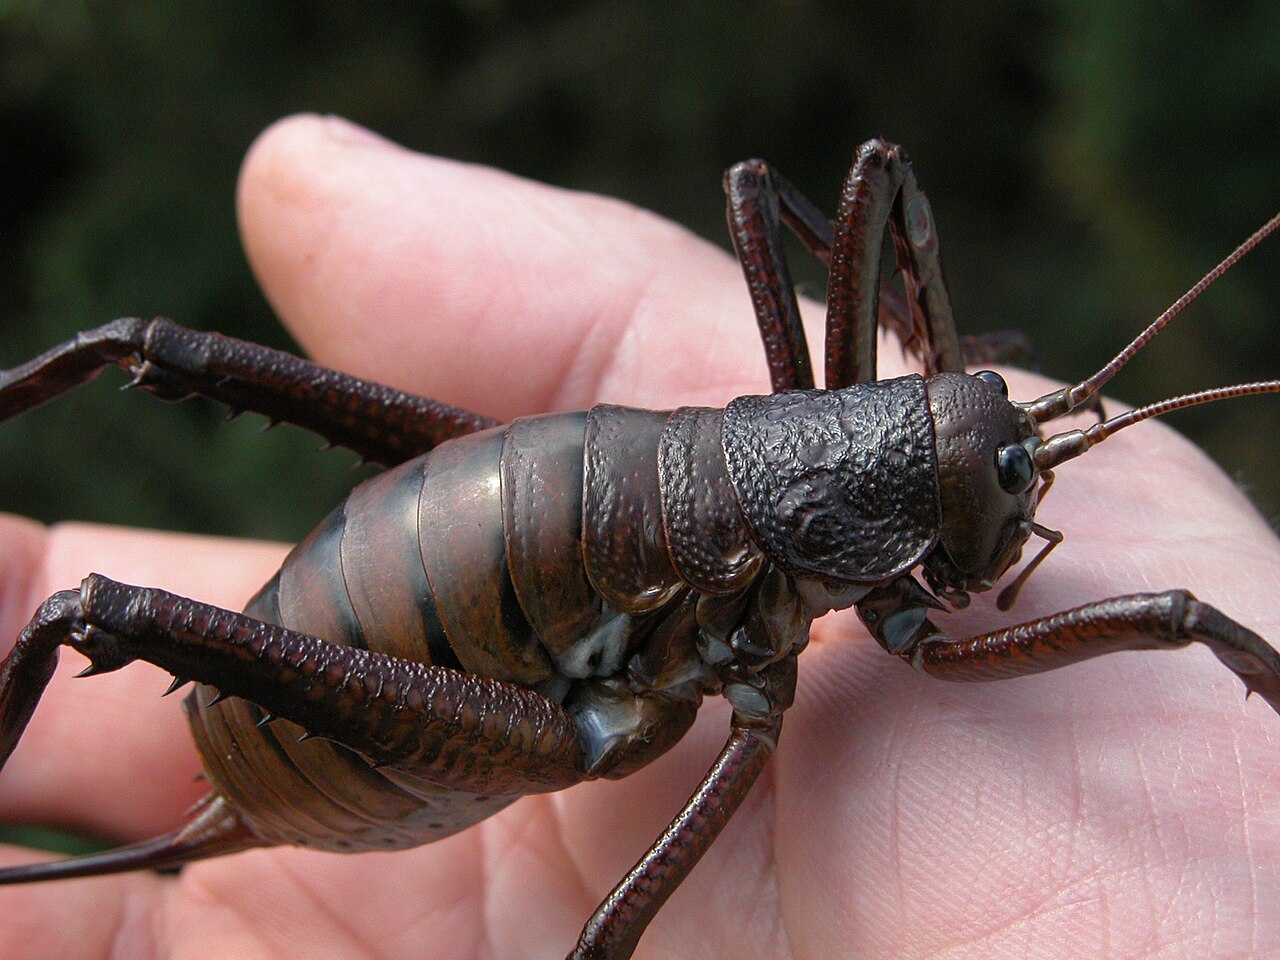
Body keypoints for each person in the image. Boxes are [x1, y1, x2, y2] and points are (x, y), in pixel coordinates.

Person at [0, 114, 1277, 959]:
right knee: (96, 553)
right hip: (411, 702)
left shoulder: (827, 478)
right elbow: (831, 188)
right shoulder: (810, 648)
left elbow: (792, 190)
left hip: (546, 515)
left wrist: (954, 382)